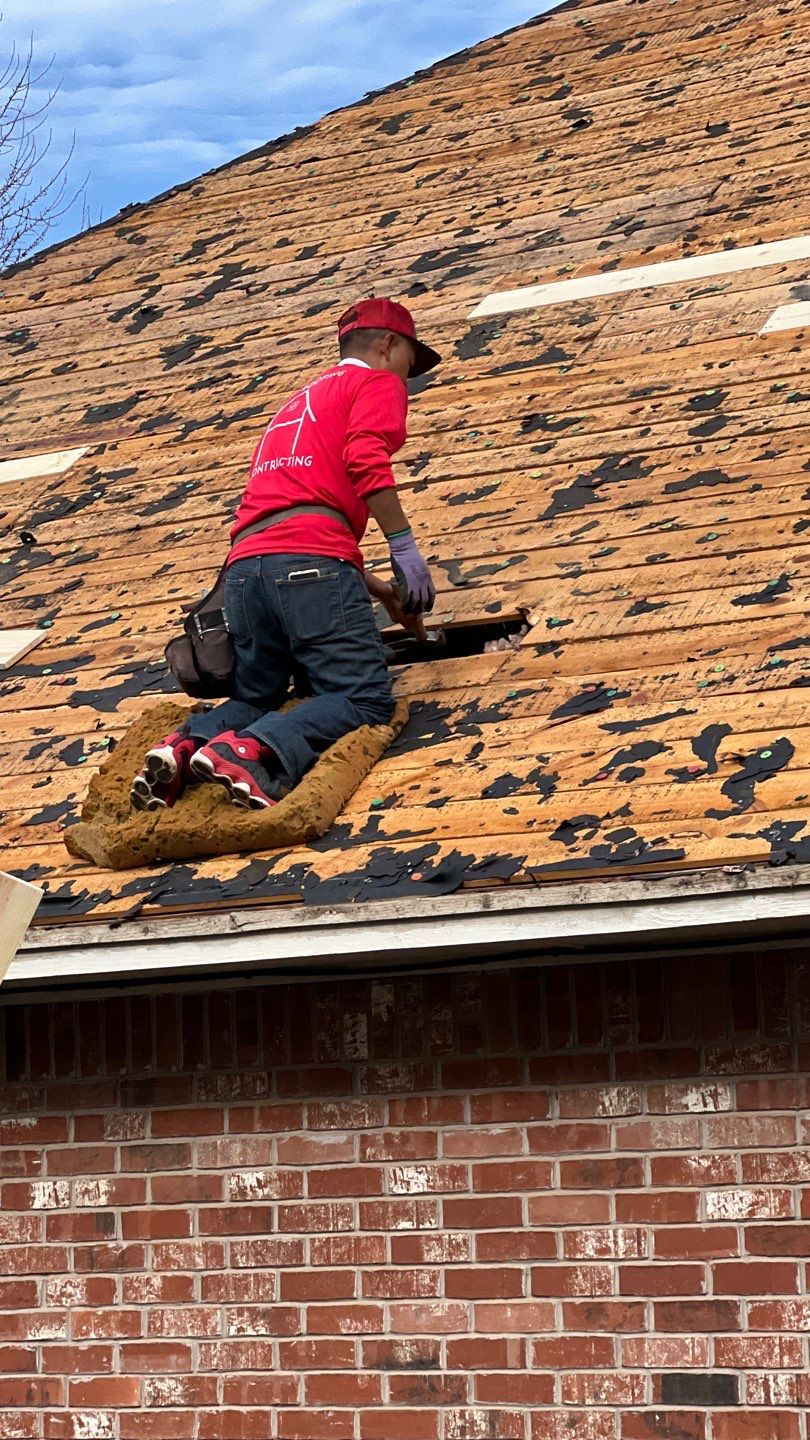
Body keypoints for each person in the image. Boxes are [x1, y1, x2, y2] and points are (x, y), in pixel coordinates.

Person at [131, 297, 440, 811]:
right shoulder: (376, 384)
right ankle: (251, 752)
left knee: (258, 694)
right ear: (387, 344)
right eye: (410, 360)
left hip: (244, 574)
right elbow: (365, 458)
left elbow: (287, 515)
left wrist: (378, 588)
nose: (408, 378)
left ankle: (184, 747)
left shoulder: (296, 404)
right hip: (309, 564)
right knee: (364, 698)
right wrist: (403, 547)